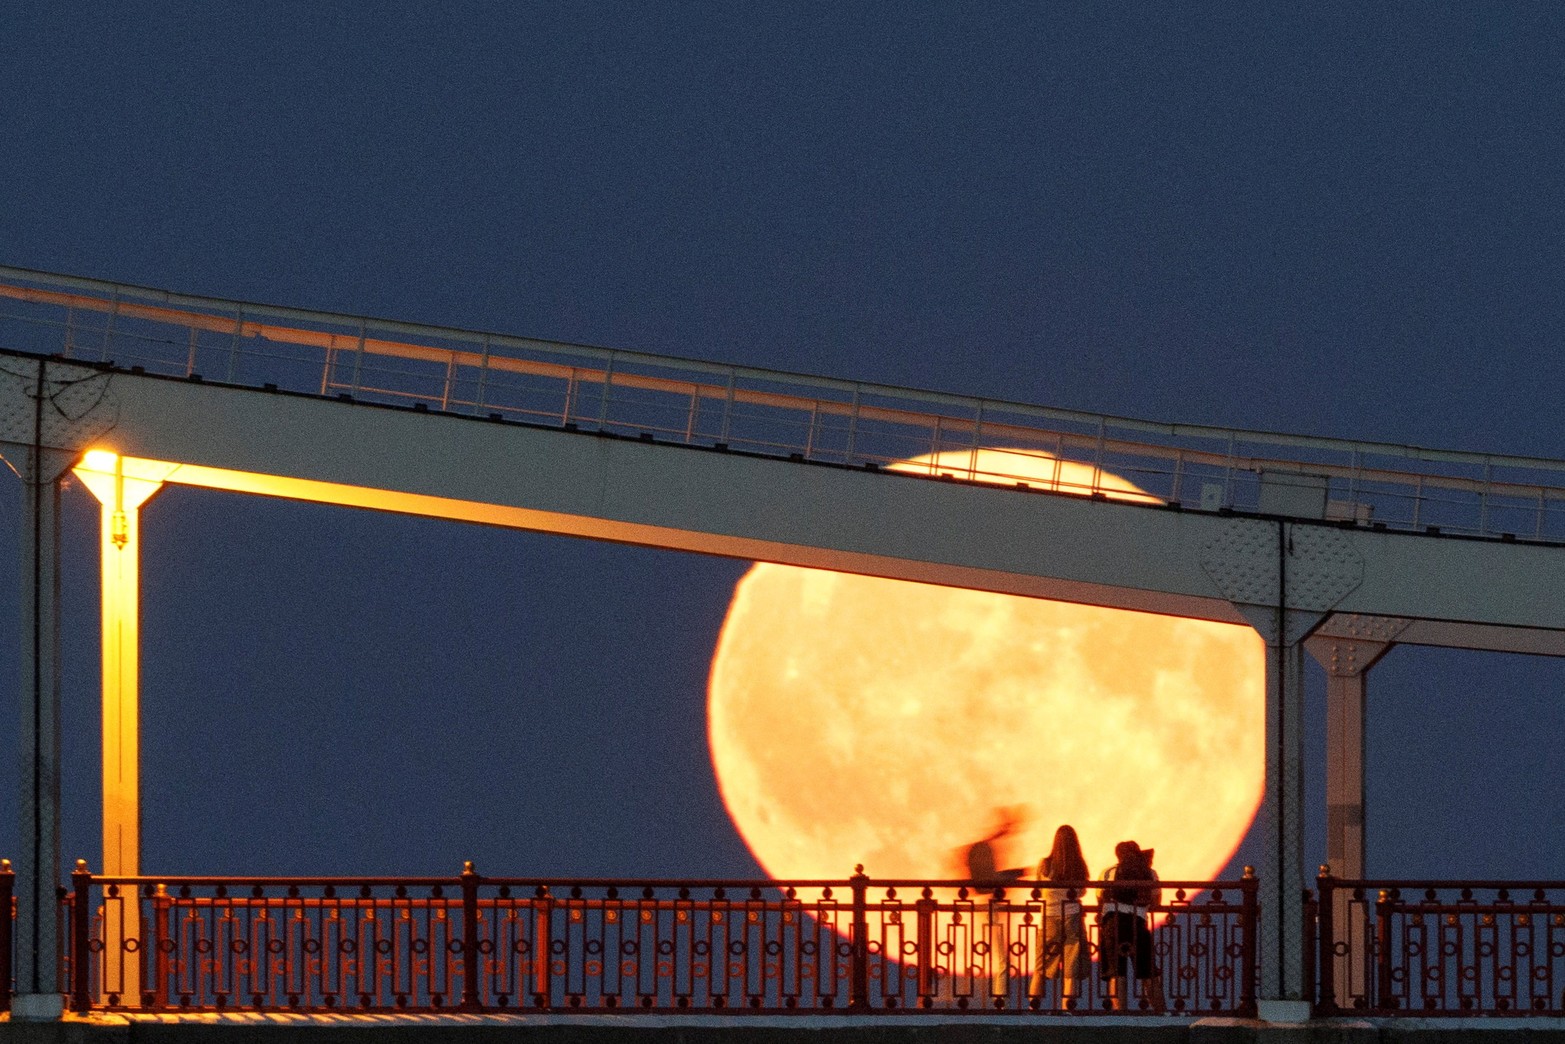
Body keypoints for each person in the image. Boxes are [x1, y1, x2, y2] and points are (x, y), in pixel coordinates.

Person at [965, 807, 1026, 1001]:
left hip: (991, 906)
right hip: (990, 907)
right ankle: (999, 1000)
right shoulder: (981, 849)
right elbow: (986, 882)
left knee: (999, 955)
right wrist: (1015, 874)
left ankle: (997, 998)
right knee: (1000, 956)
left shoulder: (981, 848)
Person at [1096, 840, 1165, 1012]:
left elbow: (1099, 897)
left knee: (1116, 972)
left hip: (1112, 923)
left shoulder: (1108, 872)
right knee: (1148, 972)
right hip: (1138, 923)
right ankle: (1161, 1012)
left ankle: (1120, 1013)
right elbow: (1156, 901)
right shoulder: (1149, 872)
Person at [1028, 825, 1089, 1007]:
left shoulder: (1044, 864)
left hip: (1049, 917)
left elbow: (1039, 890)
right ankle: (1067, 1007)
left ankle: (1034, 1007)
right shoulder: (1078, 865)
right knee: (1071, 966)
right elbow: (1082, 891)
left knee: (1041, 966)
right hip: (1072, 916)